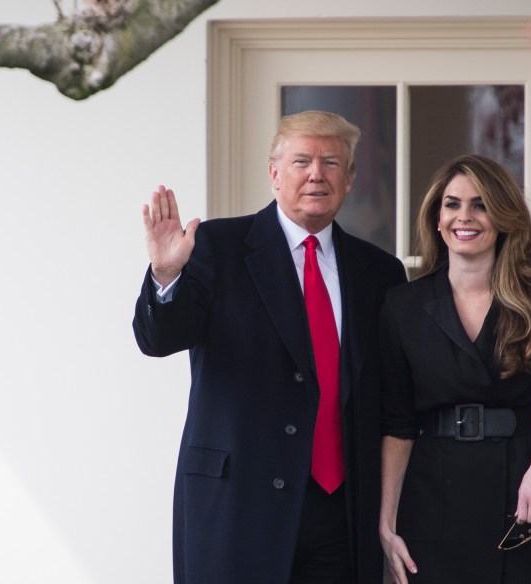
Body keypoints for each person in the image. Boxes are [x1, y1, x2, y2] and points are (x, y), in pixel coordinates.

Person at [133, 110, 408, 584]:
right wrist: (165, 275)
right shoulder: (216, 244)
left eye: (332, 163)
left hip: (341, 515)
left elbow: (394, 391)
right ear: (274, 173)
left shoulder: (379, 272)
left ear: (351, 178)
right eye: (302, 161)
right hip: (240, 502)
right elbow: (159, 339)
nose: (316, 174)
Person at [378, 154, 531, 584]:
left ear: (504, 217)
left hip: (524, 499)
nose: (464, 217)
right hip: (432, 501)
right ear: (438, 218)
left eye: (481, 204)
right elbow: (397, 425)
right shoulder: (403, 307)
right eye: (452, 204)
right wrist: (387, 521)